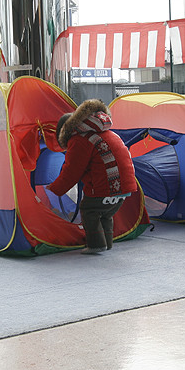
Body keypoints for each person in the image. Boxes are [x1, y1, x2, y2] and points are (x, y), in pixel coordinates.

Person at [48, 99, 137, 254]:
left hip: (106, 187)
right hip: (124, 188)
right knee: (105, 214)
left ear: (65, 132)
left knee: (89, 210)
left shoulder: (79, 139)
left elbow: (72, 171)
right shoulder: (105, 133)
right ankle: (107, 243)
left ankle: (96, 245)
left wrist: (55, 188)